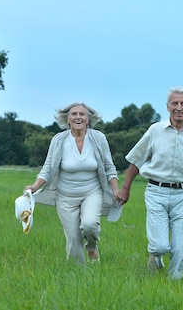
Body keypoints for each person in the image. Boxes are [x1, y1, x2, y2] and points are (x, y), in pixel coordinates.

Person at [115, 86, 183, 280]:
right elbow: (137, 160)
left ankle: (174, 285)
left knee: (180, 248)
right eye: (174, 103)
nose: (179, 107)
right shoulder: (155, 131)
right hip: (156, 192)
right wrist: (125, 188)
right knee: (159, 246)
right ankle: (155, 258)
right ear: (167, 106)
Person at [24, 102, 120, 264]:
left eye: (82, 114)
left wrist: (116, 190)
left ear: (88, 120)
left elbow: (110, 167)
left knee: (89, 225)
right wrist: (34, 186)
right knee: (74, 239)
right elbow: (47, 167)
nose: (78, 117)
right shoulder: (59, 140)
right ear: (67, 120)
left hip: (92, 192)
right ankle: (79, 275)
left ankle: (91, 246)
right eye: (74, 114)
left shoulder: (98, 138)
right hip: (65, 196)